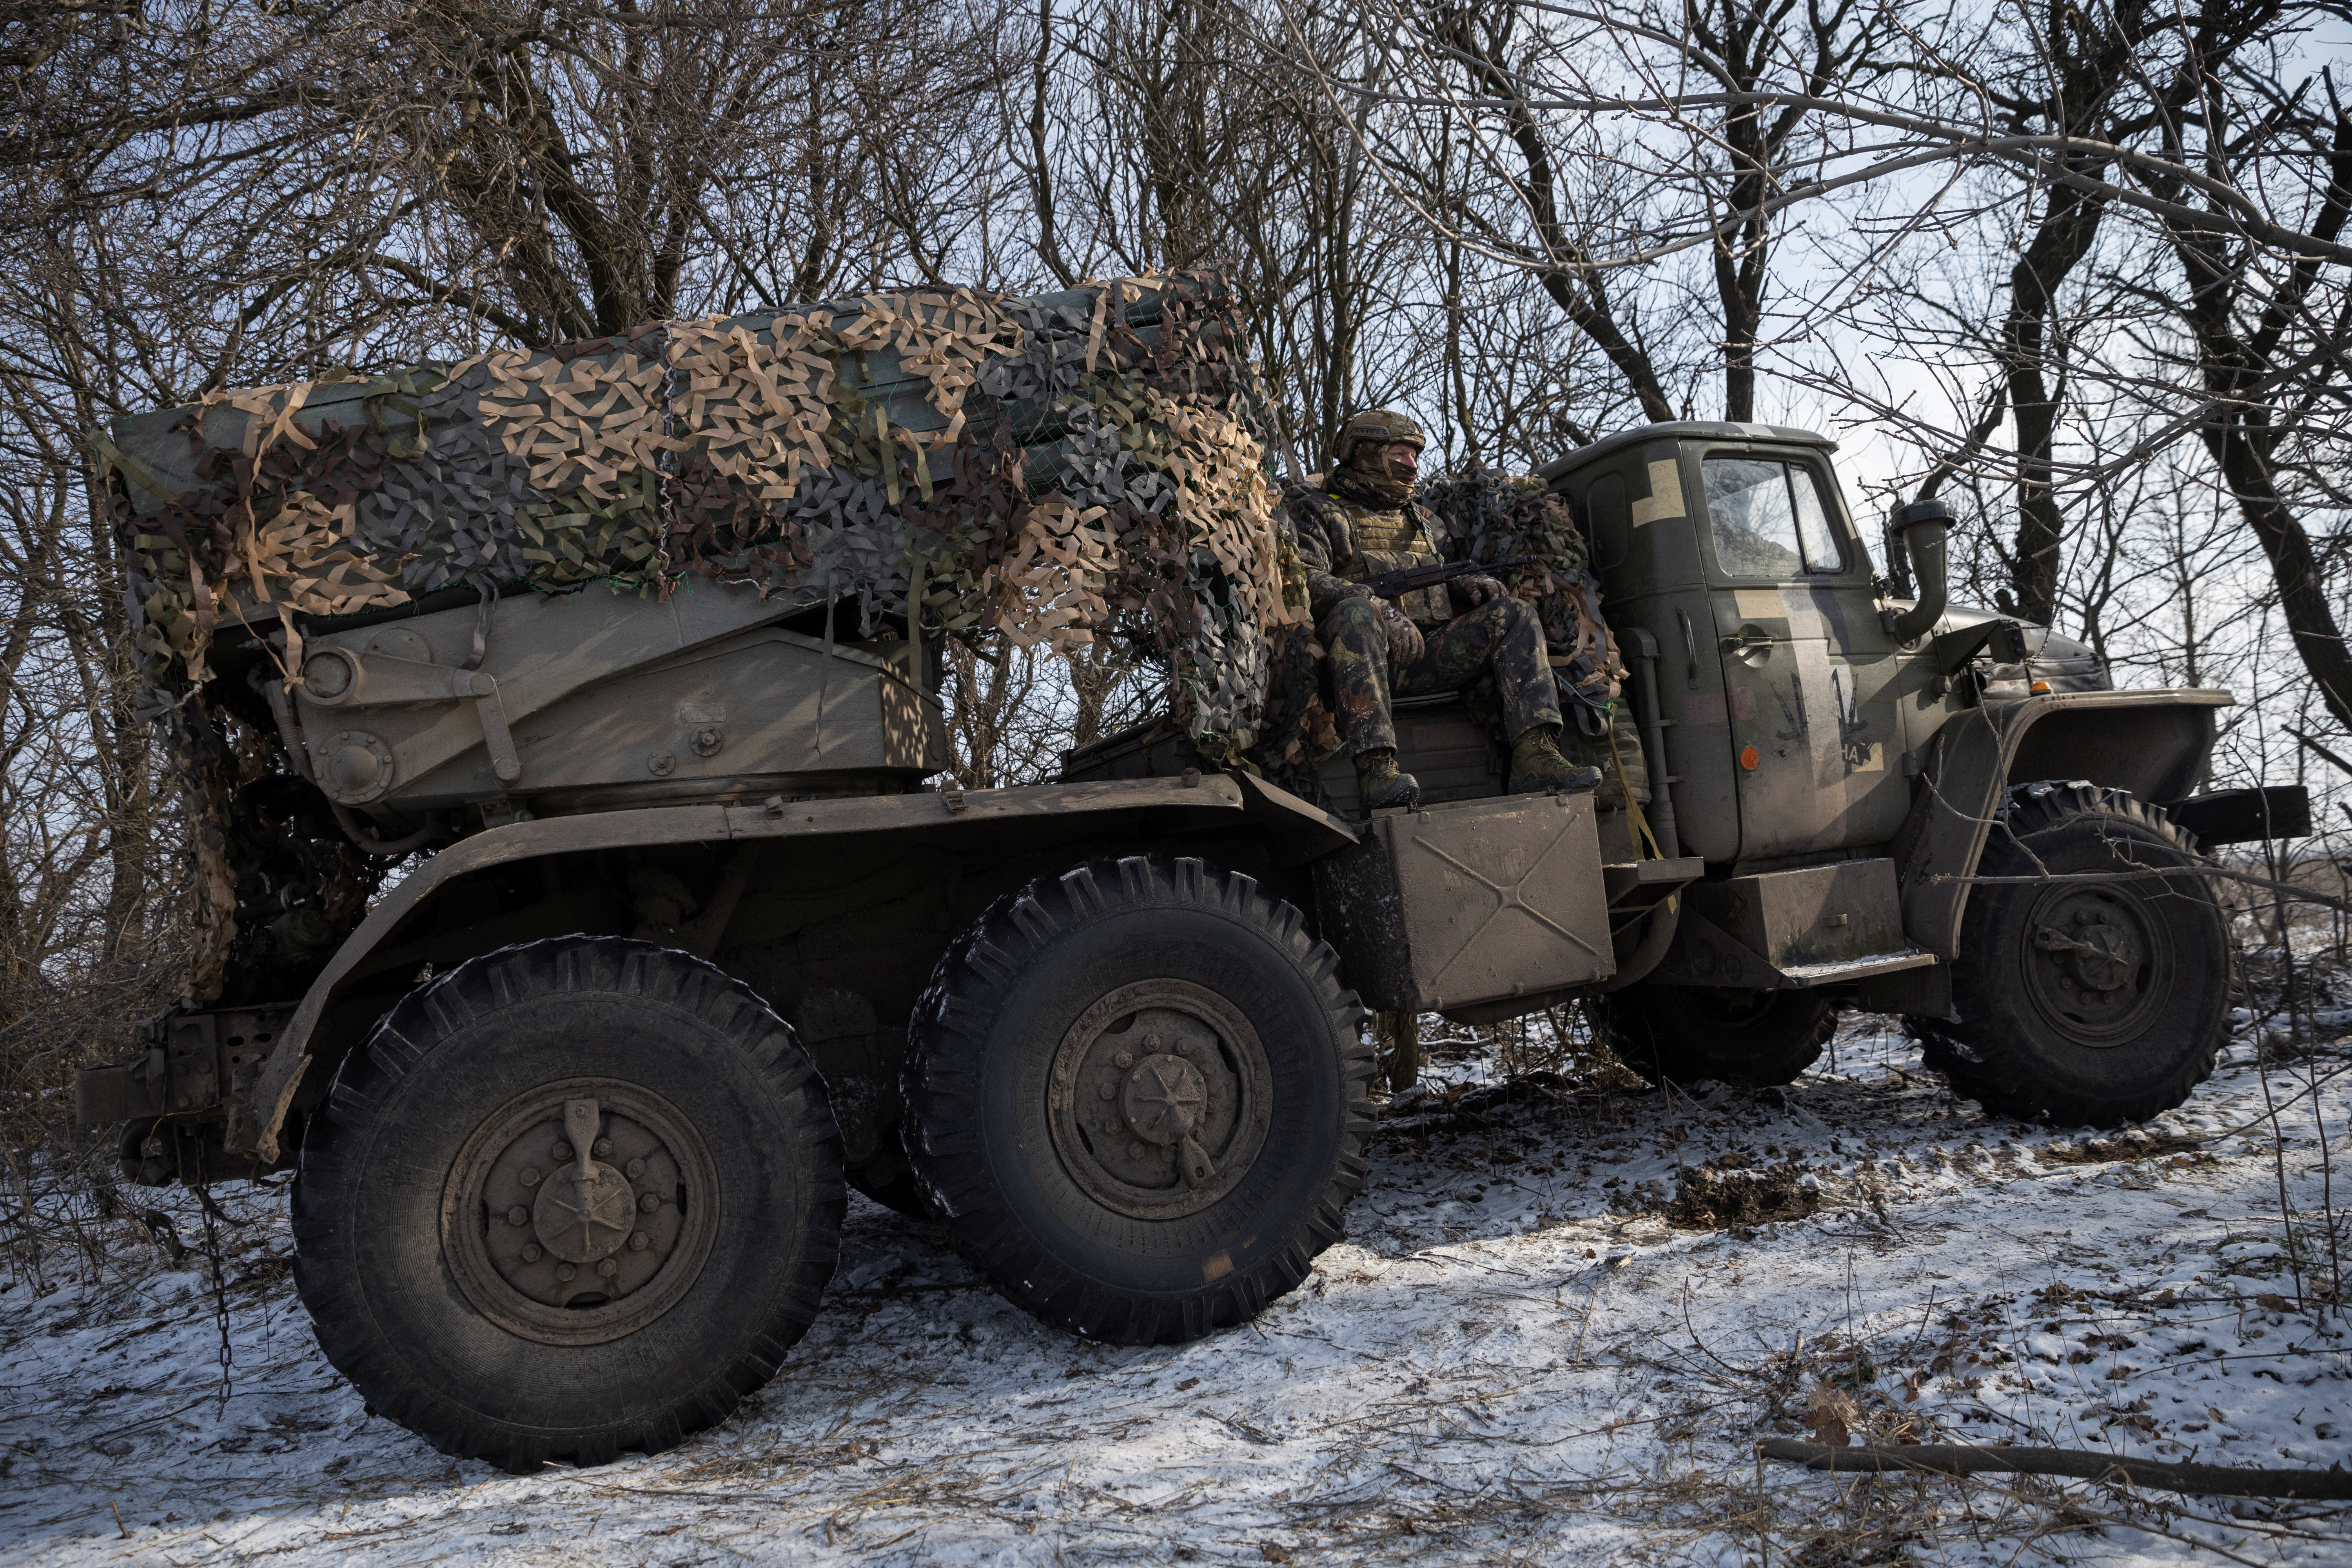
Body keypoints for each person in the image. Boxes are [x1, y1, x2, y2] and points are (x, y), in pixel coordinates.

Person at [1287, 410, 1600, 811]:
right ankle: (1377, 771)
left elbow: (1436, 573)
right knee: (1355, 615)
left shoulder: (1425, 521)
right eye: (1400, 454)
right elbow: (1305, 580)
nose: (1412, 465)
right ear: (1364, 453)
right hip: (1355, 667)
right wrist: (1379, 607)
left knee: (1515, 614)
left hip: (1428, 654)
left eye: (1416, 457)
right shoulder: (1321, 511)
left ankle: (1536, 758)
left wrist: (1467, 583)